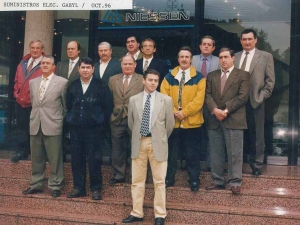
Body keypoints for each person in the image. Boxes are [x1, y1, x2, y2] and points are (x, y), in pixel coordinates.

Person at [122, 69, 174, 225]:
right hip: (139, 142)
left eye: (155, 81)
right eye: (150, 80)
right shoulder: (133, 100)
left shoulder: (166, 100)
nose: (152, 83)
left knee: (159, 181)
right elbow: (132, 124)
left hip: (157, 143)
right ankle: (137, 212)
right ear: (143, 81)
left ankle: (160, 215)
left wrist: (159, 138)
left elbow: (169, 125)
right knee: (137, 181)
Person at [66, 57, 113, 200]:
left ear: (93, 69)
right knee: (76, 159)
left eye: (88, 67)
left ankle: (96, 189)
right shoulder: (72, 85)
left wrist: (98, 121)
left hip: (94, 130)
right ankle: (79, 188)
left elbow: (107, 107)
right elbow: (69, 105)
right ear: (79, 69)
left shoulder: (101, 86)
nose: (85, 70)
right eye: (83, 67)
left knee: (94, 159)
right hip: (76, 129)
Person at [160, 46, 206, 192]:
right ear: (178, 59)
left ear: (191, 59)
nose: (184, 59)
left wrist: (184, 113)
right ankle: (169, 178)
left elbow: (199, 101)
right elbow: (164, 96)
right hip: (173, 122)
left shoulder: (199, 77)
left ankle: (193, 180)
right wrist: (174, 111)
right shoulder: (169, 77)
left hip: (191, 123)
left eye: (187, 57)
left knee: (192, 153)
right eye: (181, 57)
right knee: (171, 153)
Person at [205, 47, 250, 194]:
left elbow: (243, 97)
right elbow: (207, 95)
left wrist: (225, 110)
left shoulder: (243, 75)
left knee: (235, 153)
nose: (223, 60)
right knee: (216, 153)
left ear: (233, 58)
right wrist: (215, 110)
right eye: (221, 57)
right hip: (215, 119)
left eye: (226, 57)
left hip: (234, 118)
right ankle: (217, 181)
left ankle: (235, 182)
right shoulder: (212, 75)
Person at [22, 55, 67, 198]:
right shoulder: (33, 82)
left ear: (54, 66)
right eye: (42, 63)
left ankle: (55, 185)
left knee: (55, 158)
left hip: (53, 124)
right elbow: (35, 103)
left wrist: (59, 120)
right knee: (36, 157)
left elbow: (65, 106)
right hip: (36, 124)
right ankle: (36, 184)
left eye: (48, 63)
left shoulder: (62, 82)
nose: (45, 65)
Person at [234, 29, 275, 177]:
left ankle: (257, 164)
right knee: (237, 134)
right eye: (244, 39)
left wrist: (260, 96)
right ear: (241, 41)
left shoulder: (265, 56)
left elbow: (270, 82)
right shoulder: (235, 56)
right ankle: (237, 165)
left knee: (257, 135)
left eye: (250, 39)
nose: (247, 42)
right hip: (237, 103)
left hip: (255, 102)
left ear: (255, 40)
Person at [108, 55, 144, 184]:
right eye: (125, 64)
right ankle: (119, 175)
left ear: (135, 65)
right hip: (117, 118)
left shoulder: (142, 79)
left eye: (130, 64)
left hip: (135, 119)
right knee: (117, 148)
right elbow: (109, 99)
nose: (127, 66)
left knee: (137, 148)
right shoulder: (113, 79)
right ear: (121, 65)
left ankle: (137, 176)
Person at [11, 40, 44, 163]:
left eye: (37, 48)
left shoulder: (45, 63)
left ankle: (35, 154)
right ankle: (21, 152)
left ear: (42, 50)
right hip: (20, 101)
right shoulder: (23, 63)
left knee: (35, 129)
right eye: (32, 48)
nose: (35, 50)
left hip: (35, 103)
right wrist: (16, 93)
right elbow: (16, 81)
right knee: (21, 128)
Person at [192, 35, 220, 171]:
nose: (206, 46)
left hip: (212, 103)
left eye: (209, 44)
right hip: (194, 102)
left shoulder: (219, 61)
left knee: (212, 134)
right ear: (200, 46)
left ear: (213, 47)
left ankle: (210, 164)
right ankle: (192, 162)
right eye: (204, 44)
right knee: (194, 134)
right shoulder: (192, 60)